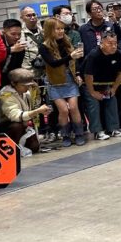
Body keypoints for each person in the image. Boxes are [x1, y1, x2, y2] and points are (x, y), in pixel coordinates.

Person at [39, 18, 85, 146]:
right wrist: (70, 56)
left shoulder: (67, 42)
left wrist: (77, 74)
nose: (61, 31)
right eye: (57, 29)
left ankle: (79, 133)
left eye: (62, 29)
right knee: (63, 110)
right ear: (50, 30)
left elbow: (74, 62)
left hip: (70, 79)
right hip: (55, 82)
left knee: (74, 107)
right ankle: (65, 135)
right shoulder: (44, 46)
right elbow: (53, 63)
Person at [82, 31, 121, 140]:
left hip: (105, 84)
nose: (113, 46)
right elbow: (88, 76)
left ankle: (113, 128)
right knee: (93, 104)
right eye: (110, 43)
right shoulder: (94, 55)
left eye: (115, 43)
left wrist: (114, 88)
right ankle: (97, 131)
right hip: (89, 85)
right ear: (101, 43)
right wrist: (93, 92)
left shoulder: (118, 54)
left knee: (111, 100)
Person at [0, 68, 52, 154]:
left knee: (35, 147)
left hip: (24, 125)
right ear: (13, 83)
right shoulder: (5, 95)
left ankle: (20, 146)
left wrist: (39, 107)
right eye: (24, 85)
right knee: (16, 126)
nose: (27, 88)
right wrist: (37, 111)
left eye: (29, 85)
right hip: (8, 126)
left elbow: (34, 107)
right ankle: (11, 150)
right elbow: (16, 116)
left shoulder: (26, 92)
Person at [0, 19, 26, 87]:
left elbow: (17, 67)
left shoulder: (20, 47)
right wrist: (10, 50)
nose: (17, 37)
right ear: (4, 32)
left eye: (19, 34)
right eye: (13, 34)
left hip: (9, 81)